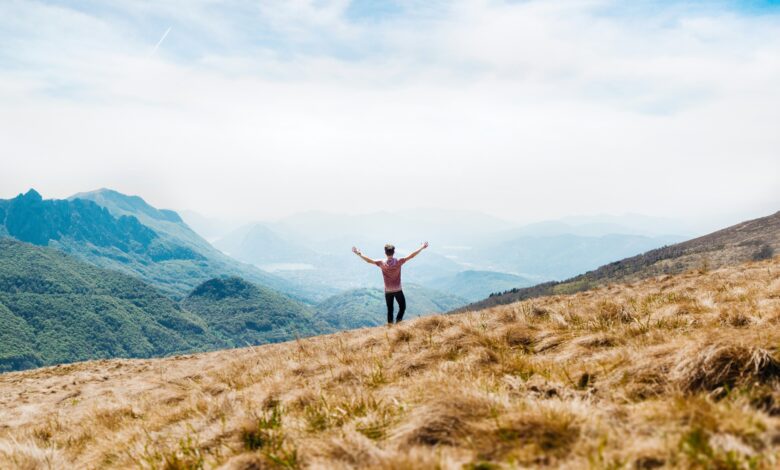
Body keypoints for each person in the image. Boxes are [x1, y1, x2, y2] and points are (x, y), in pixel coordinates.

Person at [352, 242, 429, 325]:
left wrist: (359, 254)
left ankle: (390, 327)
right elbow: (412, 255)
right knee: (402, 307)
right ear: (394, 252)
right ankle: (398, 322)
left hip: (388, 291)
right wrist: (421, 248)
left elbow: (368, 261)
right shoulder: (399, 261)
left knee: (390, 309)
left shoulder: (381, 263)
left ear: (385, 253)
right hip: (397, 289)